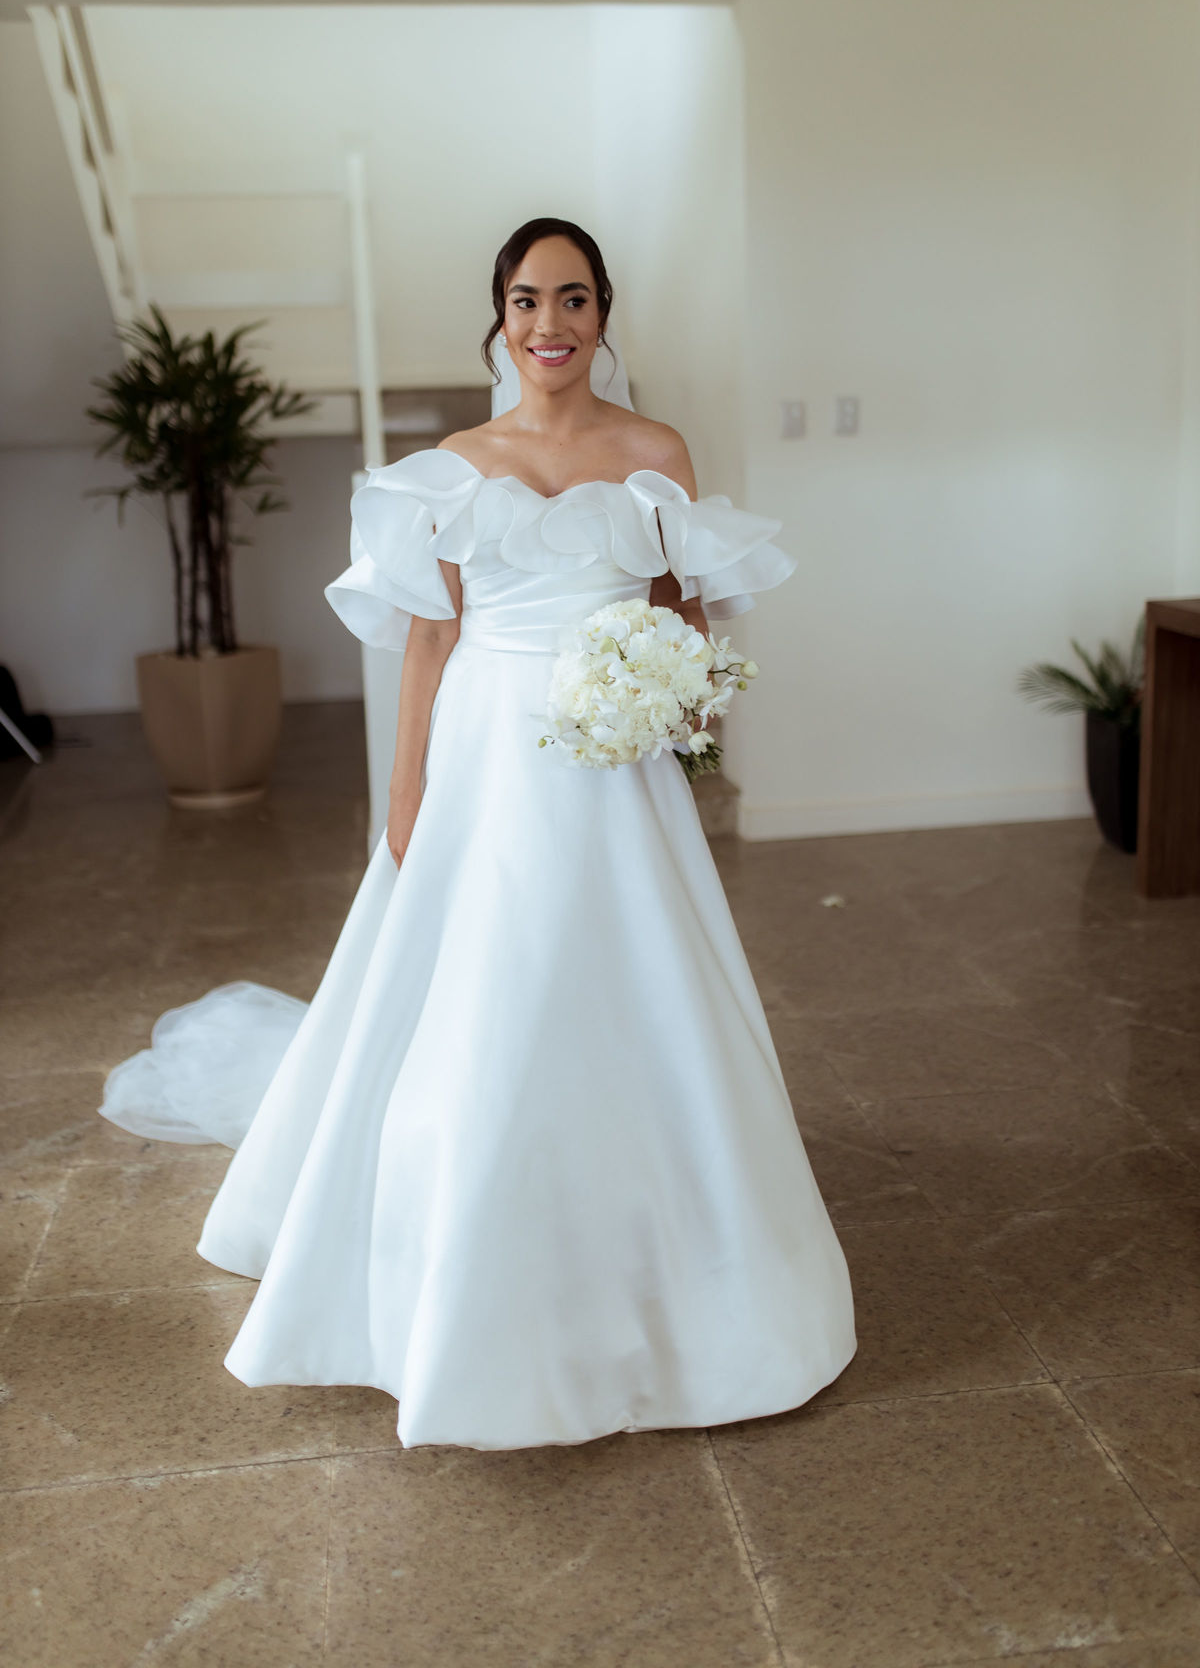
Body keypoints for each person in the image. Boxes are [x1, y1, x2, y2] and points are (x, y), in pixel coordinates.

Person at [100, 216, 857, 1451]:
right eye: (526, 300)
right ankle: (463, 1248)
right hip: (489, 755)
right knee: (486, 990)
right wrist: (406, 794)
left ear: (603, 315)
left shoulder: (655, 451)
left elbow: (685, 610)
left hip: (615, 764)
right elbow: (431, 640)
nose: (550, 324)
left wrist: (683, 697)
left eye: (574, 298)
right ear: (500, 319)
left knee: (635, 983)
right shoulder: (452, 466)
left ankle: (668, 1246)